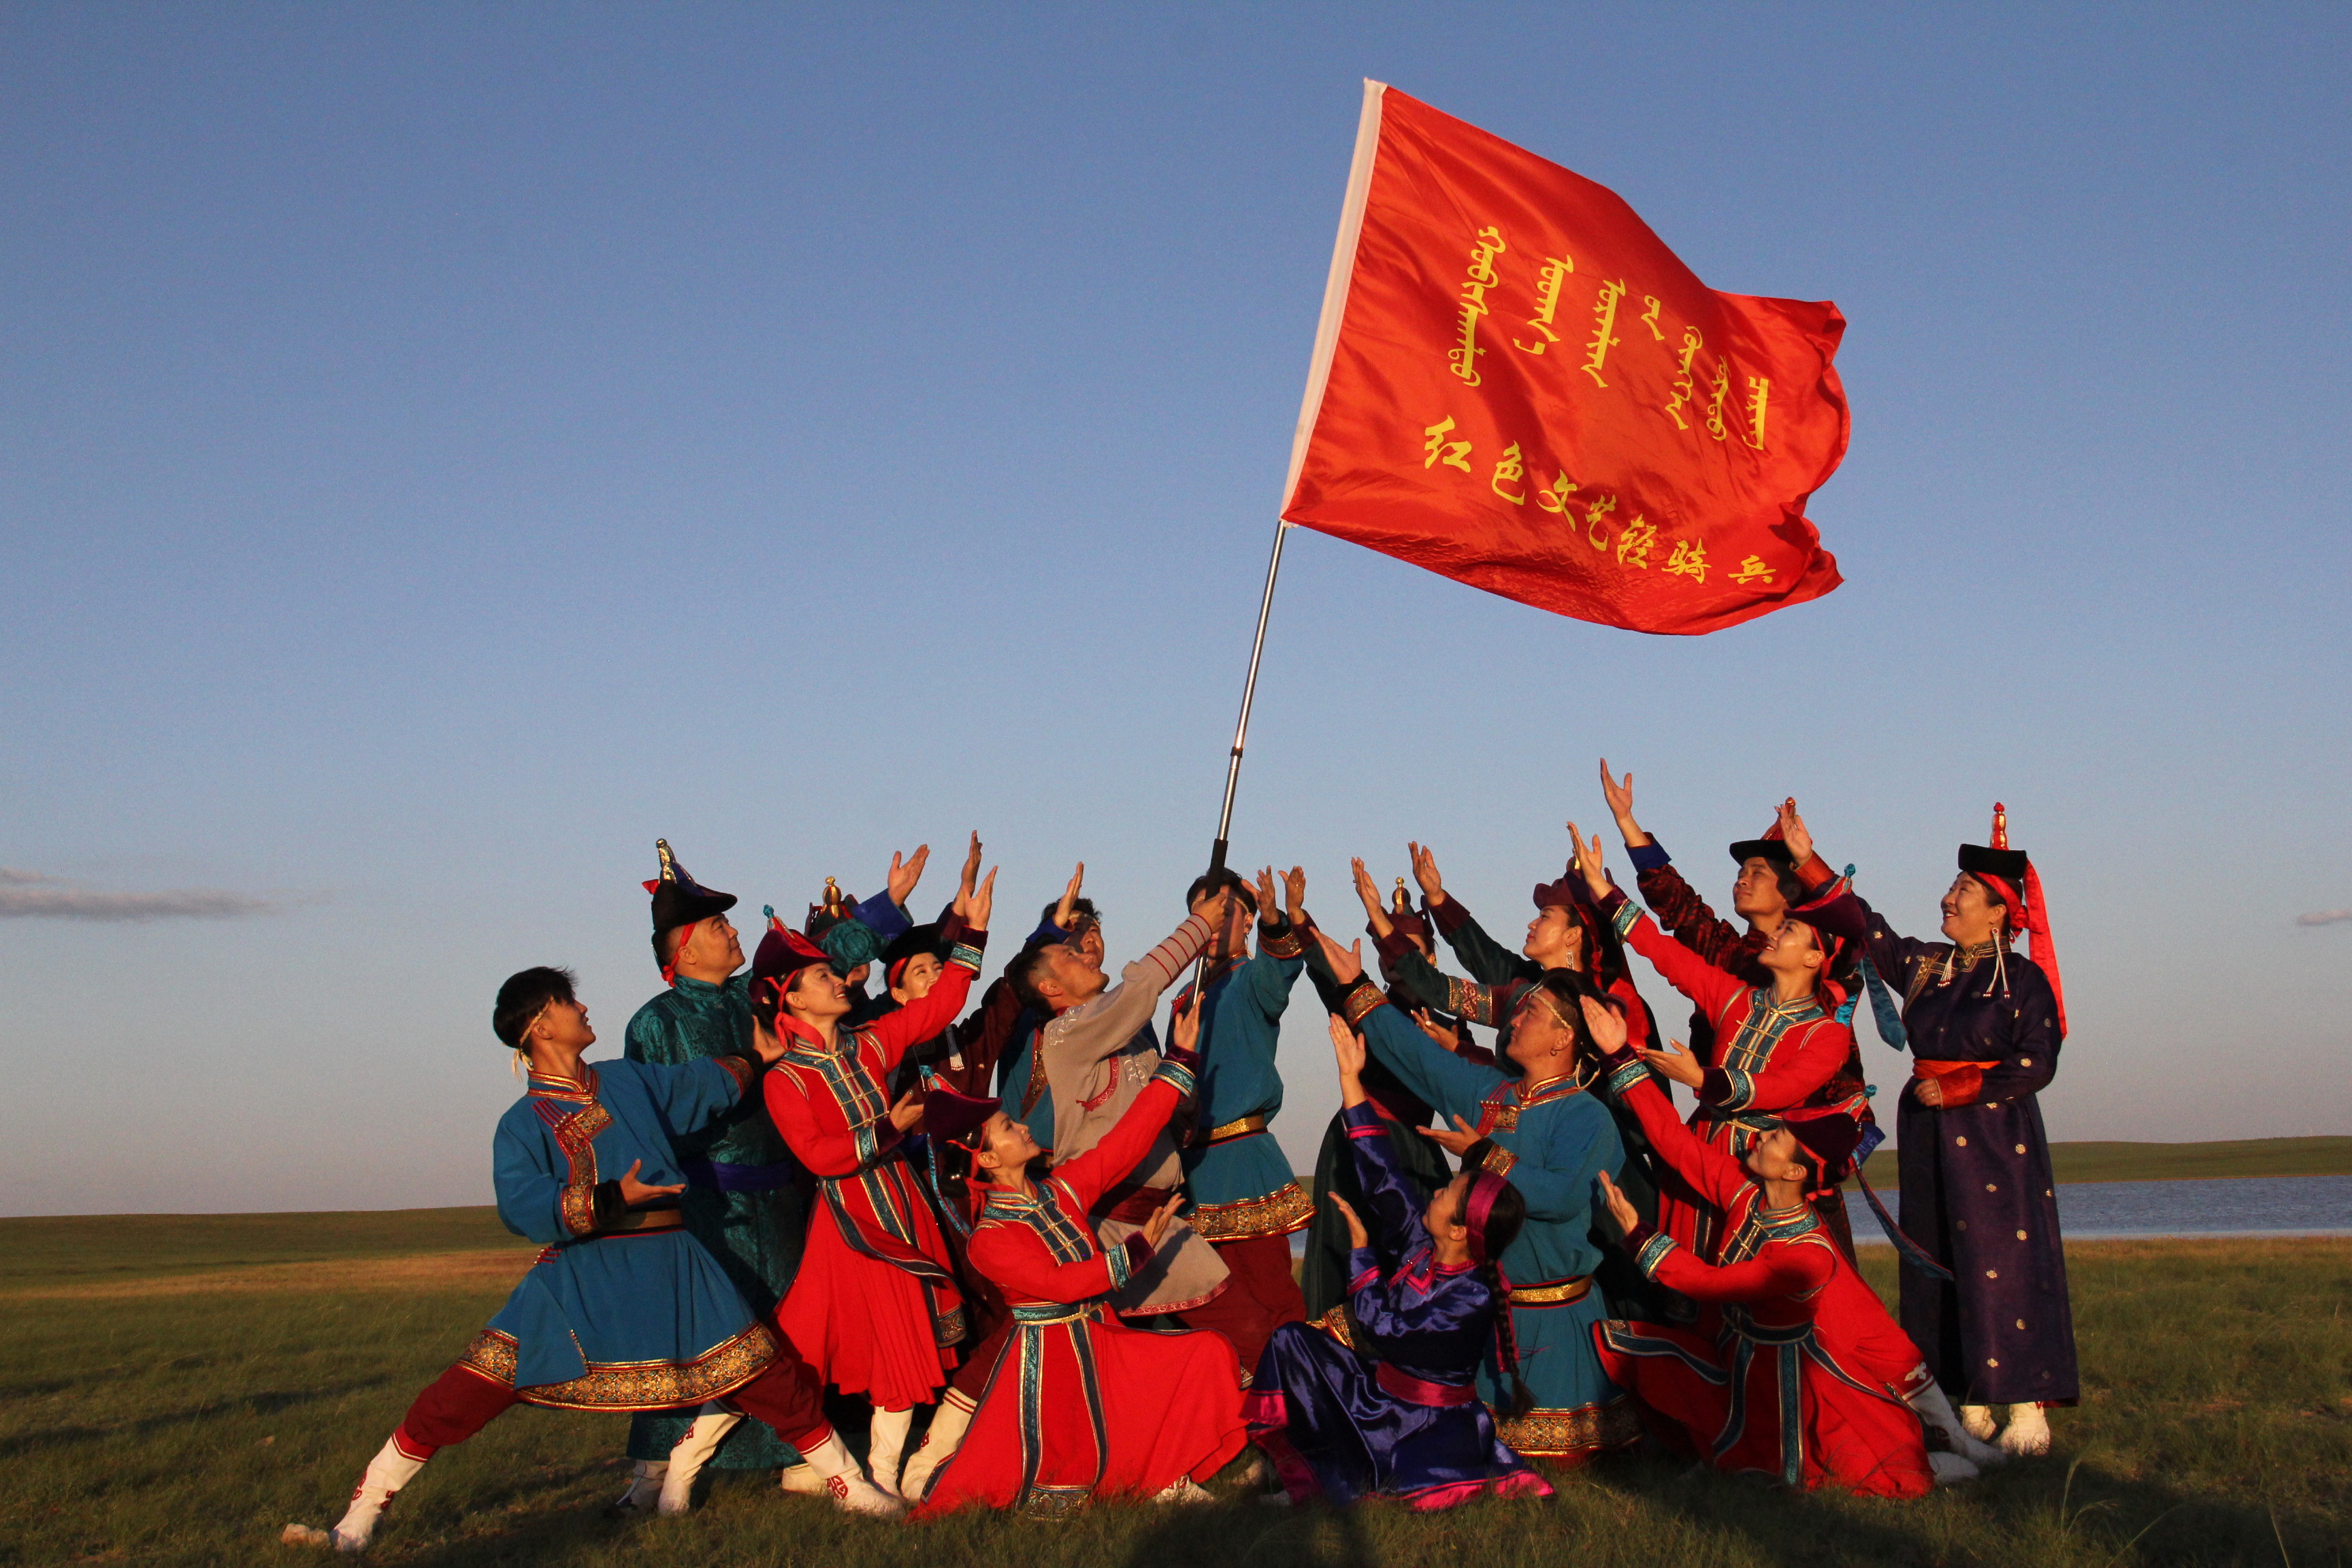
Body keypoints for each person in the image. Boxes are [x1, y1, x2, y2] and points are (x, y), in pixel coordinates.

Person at [282, 967, 889, 1553]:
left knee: (768, 1377)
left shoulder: (628, 1080)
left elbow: (699, 1086)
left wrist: (754, 1060)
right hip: (581, 1278)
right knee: (459, 1395)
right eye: (571, 1003)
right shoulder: (521, 1124)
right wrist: (609, 1197)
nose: (585, 1009)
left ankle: (850, 1486)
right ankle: (357, 1522)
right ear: (543, 1025)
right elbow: (523, 1205)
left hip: (674, 1263)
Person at [1582, 996, 1997, 1495]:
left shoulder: (1808, 1255)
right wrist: (1618, 1057)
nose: (1758, 1140)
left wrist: (1641, 1237)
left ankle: (1938, 1440)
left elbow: (1716, 1284)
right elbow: (1675, 1141)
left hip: (1792, 1390)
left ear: (1795, 1172)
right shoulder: (1742, 1191)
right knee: (1636, 1349)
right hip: (1735, 1361)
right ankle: (1712, 1449)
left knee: (1833, 1467)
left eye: (1774, 1140)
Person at [1778, 802, 2076, 1456]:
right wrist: (1807, 858)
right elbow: (1866, 928)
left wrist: (1966, 1086)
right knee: (1937, 1257)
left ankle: (2024, 1403)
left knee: (2003, 1261)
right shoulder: (1927, 966)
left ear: (1999, 911)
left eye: (1964, 890)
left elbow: (2038, 1060)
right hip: (1927, 1135)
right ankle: (1963, 1394)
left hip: (1998, 1139)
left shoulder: (2022, 980)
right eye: (1953, 887)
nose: (1948, 897)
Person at [1310, 927, 1634, 1465]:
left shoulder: (1586, 1115)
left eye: (1531, 1013)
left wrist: (1485, 1154)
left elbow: (1559, 1196)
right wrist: (1355, 984)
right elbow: (1417, 1056)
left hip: (1553, 1319)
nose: (1514, 1019)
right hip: (1480, 1302)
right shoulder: (1493, 1095)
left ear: (1562, 1039)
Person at [912, 1013, 1246, 1517]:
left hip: (1098, 1334)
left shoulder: (1061, 1192)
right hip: (1049, 1366)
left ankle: (1163, 1473)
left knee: (1206, 1353)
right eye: (1007, 1127)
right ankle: (1150, 1479)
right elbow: (1057, 1285)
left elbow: (1127, 1139)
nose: (1024, 1126)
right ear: (986, 1160)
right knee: (1041, 1476)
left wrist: (1178, 1058)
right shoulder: (991, 1238)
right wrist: (1136, 1251)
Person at [755, 863, 996, 1497]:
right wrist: (888, 1127)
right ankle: (682, 1468)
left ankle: (881, 1476)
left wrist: (972, 934)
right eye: (823, 977)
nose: (840, 982)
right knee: (786, 1354)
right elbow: (819, 1156)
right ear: (792, 1001)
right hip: (850, 1223)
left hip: (901, 1204)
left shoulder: (867, 1045)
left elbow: (941, 1003)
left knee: (904, 1345)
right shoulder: (785, 1080)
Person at [1247, 1012, 1553, 1510]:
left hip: (1424, 1425)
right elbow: (1384, 1177)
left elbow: (1386, 1329)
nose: (1433, 1190)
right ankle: (1304, 1460)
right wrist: (1350, 1081)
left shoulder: (1471, 1295)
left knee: (1382, 1485)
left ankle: (1329, 1475)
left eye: (1445, 1192)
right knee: (1292, 1342)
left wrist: (1364, 1256)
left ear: (1459, 1228)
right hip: (1381, 1397)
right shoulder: (1422, 1247)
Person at [1365, 844, 1673, 1320]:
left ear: (1575, 934)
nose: (1531, 923)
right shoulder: (1522, 994)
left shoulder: (1613, 1009)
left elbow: (1643, 1109)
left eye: (1545, 915)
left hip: (1598, 1167)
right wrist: (1432, 902)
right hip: (1522, 1154)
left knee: (1626, 1287)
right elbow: (1445, 989)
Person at [1599, 763, 1872, 1258]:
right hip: (1710, 1149)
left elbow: (1837, 1092)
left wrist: (1817, 1166)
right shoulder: (1735, 959)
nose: (1742, 880)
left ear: (1791, 894)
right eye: (1741, 872)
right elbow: (1679, 912)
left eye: (1757, 873)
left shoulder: (1825, 995)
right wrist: (1628, 825)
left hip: (1789, 1168)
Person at [618, 840, 816, 1503]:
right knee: (697, 1337)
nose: (733, 931)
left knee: (795, 1327)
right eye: (717, 925)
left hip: (784, 1201)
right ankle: (657, 1465)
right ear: (683, 949)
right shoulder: (654, 1024)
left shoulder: (758, 1003)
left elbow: (822, 966)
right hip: (708, 1210)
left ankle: (799, 1454)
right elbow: (647, 1127)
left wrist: (885, 908)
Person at [1009, 881, 1250, 1343]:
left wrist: (1182, 1060)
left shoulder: (1133, 1035)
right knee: (1109, 1356)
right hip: (1103, 1227)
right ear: (1051, 987)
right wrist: (1201, 925)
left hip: (1159, 1221)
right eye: (1068, 956)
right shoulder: (1066, 1034)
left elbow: (1172, 1110)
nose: (1085, 955)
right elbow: (1144, 984)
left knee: (1241, 1335)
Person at [1170, 866, 1314, 1381]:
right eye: (1201, 914)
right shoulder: (1183, 1003)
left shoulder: (1252, 979)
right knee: (1208, 1300)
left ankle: (1301, 1398)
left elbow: (1282, 970)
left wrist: (1278, 921)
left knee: (1270, 1292)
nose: (1211, 924)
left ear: (1248, 921)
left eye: (1226, 912)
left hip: (1245, 1158)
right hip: (1192, 1167)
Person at [1297, 891, 1460, 1341]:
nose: (1399, 962)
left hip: (1416, 1151)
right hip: (1354, 1145)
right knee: (1348, 1246)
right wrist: (1296, 918)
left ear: (1430, 956)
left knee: (1418, 1256)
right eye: (1391, 953)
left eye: (1412, 952)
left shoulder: (1451, 1026)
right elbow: (1326, 972)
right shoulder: (1360, 1001)